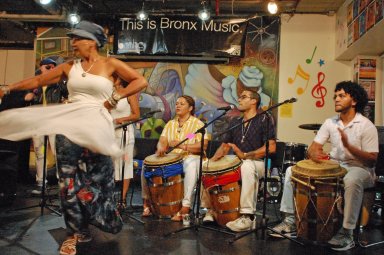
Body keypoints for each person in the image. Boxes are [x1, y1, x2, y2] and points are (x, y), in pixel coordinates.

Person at [0, 20, 148, 255]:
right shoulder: (71, 67)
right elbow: (38, 80)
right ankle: (73, 234)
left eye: (77, 38)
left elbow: (141, 81)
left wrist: (115, 97)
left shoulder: (111, 64)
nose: (73, 42)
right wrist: (8, 88)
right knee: (67, 182)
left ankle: (95, 220)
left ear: (91, 42)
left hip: (97, 124)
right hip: (70, 124)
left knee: (99, 180)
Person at [270, 81, 378, 251]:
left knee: (351, 179)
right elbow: (314, 147)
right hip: (336, 165)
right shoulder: (330, 122)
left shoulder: (366, 125)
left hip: (361, 169)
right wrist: (314, 153)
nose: (336, 99)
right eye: (335, 96)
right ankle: (290, 220)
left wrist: (350, 148)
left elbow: (372, 160)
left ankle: (347, 232)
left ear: (354, 101)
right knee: (293, 170)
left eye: (342, 96)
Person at [201, 89, 276, 232]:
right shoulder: (235, 121)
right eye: (239, 97)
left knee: (247, 165)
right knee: (206, 166)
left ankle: (247, 216)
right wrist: (211, 162)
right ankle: (211, 209)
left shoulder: (264, 118)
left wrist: (245, 155)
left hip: (258, 164)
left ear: (254, 101)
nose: (239, 100)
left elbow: (271, 147)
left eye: (243, 97)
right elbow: (224, 147)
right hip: (239, 162)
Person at [141, 95, 209, 220]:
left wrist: (183, 146)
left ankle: (186, 206)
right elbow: (162, 140)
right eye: (177, 103)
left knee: (191, 163)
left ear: (190, 108)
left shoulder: (197, 124)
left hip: (190, 157)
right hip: (172, 158)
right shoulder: (170, 124)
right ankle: (147, 202)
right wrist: (161, 147)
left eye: (182, 104)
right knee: (147, 163)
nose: (177, 105)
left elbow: (203, 145)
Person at [30, 57, 69, 195]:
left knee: (57, 151)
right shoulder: (36, 82)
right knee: (39, 151)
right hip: (38, 120)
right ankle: (41, 182)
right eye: (48, 66)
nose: (50, 69)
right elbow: (30, 97)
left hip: (54, 120)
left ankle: (62, 183)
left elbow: (67, 93)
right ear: (41, 67)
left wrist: (58, 76)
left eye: (53, 66)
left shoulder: (58, 81)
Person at [111, 78, 140, 208]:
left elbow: (136, 115)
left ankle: (122, 199)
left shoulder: (129, 93)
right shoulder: (109, 94)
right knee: (109, 166)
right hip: (109, 133)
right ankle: (108, 196)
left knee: (125, 165)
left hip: (125, 134)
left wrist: (121, 119)